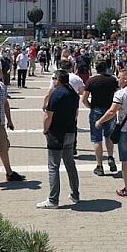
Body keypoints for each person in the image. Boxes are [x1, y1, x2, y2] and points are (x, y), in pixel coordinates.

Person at [37, 70, 81, 208]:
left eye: (53, 78)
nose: (53, 81)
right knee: (70, 164)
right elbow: (75, 114)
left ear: (58, 80)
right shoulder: (74, 93)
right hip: (70, 132)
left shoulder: (56, 94)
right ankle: (75, 194)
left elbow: (48, 116)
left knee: (53, 166)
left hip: (57, 133)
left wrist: (45, 130)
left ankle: (53, 200)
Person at [82, 61, 119, 176]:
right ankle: (110, 156)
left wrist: (91, 107)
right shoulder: (113, 80)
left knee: (97, 139)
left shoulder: (91, 80)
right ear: (106, 69)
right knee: (108, 136)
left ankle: (99, 165)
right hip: (110, 110)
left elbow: (84, 99)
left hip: (96, 110)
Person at [44, 60, 85, 155]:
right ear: (71, 68)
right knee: (72, 125)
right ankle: (73, 147)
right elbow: (82, 91)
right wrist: (74, 94)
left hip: (58, 103)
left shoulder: (56, 77)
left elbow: (50, 91)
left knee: (57, 125)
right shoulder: (76, 78)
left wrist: (45, 103)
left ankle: (60, 146)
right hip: (72, 104)